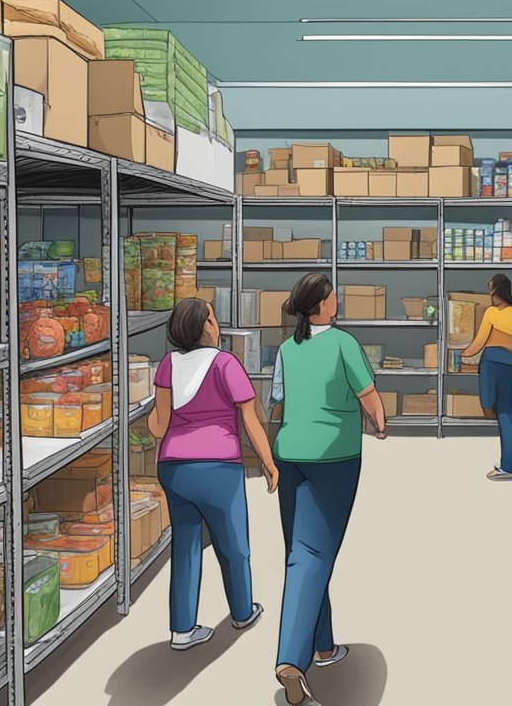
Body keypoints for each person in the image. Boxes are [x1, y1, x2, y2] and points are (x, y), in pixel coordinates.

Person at [269, 273, 387, 706]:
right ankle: (291, 660)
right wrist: (380, 425)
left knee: (301, 551)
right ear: (321, 304)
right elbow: (368, 394)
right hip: (332, 458)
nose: (338, 298)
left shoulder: (285, 349)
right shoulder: (343, 343)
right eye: (333, 294)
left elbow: (276, 401)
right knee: (313, 554)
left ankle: (323, 646)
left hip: (290, 454)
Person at [146, 298, 278, 652]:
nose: (216, 324)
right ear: (206, 326)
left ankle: (182, 630)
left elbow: (158, 427)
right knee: (233, 544)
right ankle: (242, 611)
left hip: (174, 469)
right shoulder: (226, 364)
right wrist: (268, 462)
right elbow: (250, 420)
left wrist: (152, 420)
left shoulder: (167, 365)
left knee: (186, 546)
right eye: (213, 318)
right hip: (218, 467)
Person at [461, 273, 512, 480]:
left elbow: (480, 340)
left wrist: (463, 355)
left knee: (497, 408)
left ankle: (507, 467)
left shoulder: (491, 312)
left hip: (493, 363)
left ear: (497, 290)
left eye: (491, 289)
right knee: (508, 409)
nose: (490, 294)